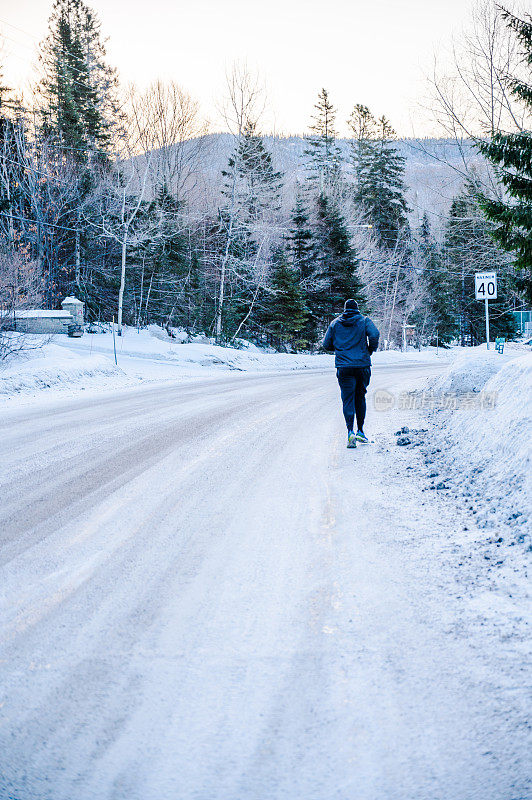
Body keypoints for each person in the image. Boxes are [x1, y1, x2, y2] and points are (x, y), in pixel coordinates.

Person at [322, 298, 380, 448]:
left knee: (348, 399)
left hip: (344, 367)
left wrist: (341, 348)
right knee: (360, 397)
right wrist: (369, 350)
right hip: (362, 365)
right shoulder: (364, 321)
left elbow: (326, 344)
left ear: (344, 309)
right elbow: (374, 335)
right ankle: (361, 431)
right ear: (357, 308)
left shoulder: (335, 323)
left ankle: (350, 432)